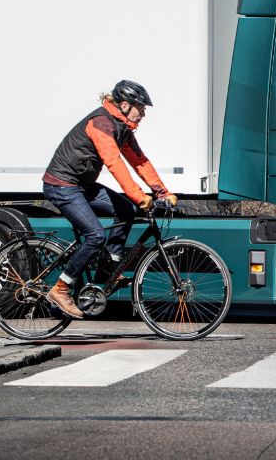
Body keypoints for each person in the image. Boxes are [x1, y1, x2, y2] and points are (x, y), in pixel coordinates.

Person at [42, 80, 178, 319]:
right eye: (141, 108)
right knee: (95, 235)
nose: (144, 113)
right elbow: (114, 162)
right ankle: (61, 290)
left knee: (126, 210)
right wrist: (139, 196)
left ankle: (109, 264)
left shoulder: (122, 127)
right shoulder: (101, 123)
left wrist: (162, 192)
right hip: (62, 185)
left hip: (82, 186)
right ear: (125, 105)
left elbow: (139, 161)